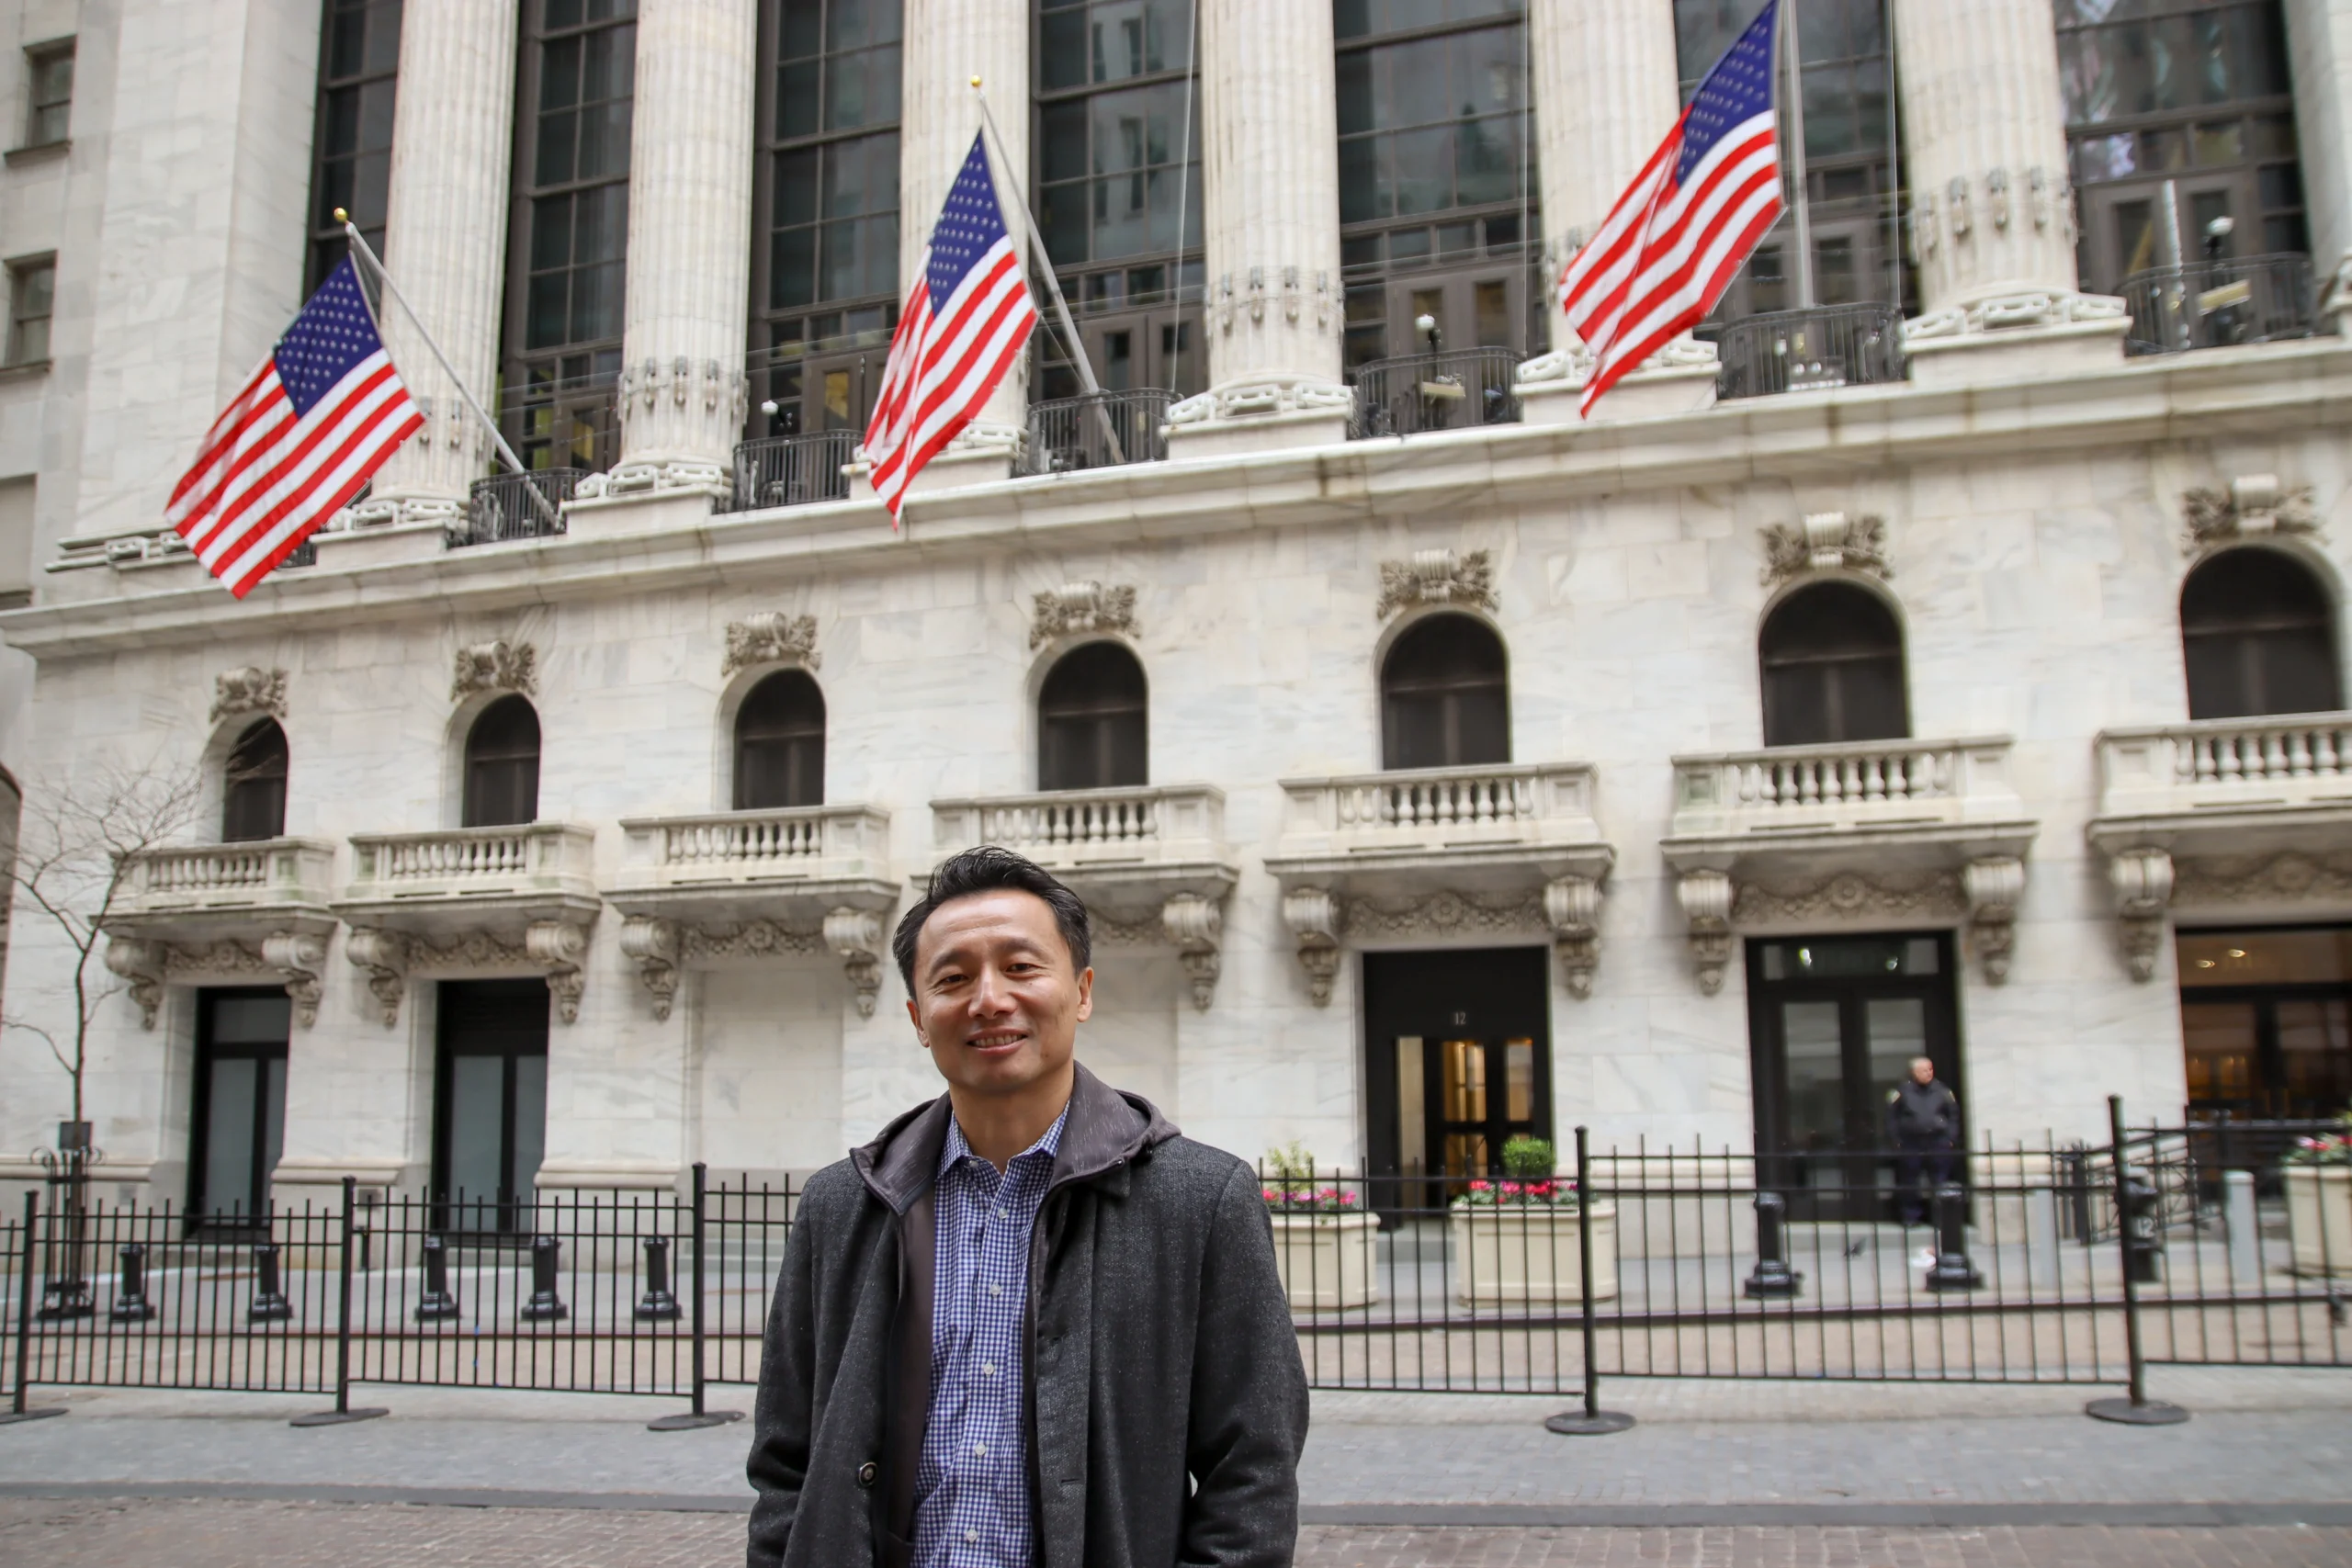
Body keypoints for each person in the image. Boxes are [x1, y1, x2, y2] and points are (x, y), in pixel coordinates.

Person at [746, 845, 1308, 1568]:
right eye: (953, 978)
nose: (988, 999)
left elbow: (1253, 1472)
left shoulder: (1200, 1199)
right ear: (919, 1017)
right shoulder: (843, 1204)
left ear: (1082, 990)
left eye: (1020, 966)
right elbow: (786, 1459)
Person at [1885, 1056, 1961, 1226]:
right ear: (1914, 1072)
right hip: (1911, 1142)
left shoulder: (1942, 1091)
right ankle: (1910, 1217)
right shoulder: (1902, 1092)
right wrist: (1896, 1140)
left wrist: (1950, 1138)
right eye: (1924, 1070)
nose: (1929, 1073)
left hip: (1937, 1141)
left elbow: (1953, 1115)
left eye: (1930, 1069)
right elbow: (1891, 1118)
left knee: (1939, 1181)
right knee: (1909, 1181)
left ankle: (1940, 1218)